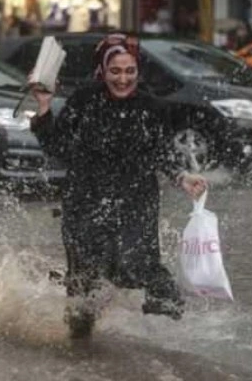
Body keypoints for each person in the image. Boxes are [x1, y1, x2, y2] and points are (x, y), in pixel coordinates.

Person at [29, 33, 208, 339]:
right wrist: (44, 106)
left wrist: (182, 177)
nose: (123, 79)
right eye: (115, 71)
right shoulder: (85, 100)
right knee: (84, 283)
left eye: (129, 72)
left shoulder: (152, 106)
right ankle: (81, 350)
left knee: (139, 266)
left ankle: (165, 346)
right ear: (103, 71)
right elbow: (57, 147)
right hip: (85, 200)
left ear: (138, 72)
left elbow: (160, 154)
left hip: (136, 199)